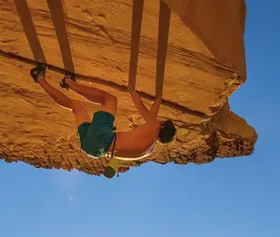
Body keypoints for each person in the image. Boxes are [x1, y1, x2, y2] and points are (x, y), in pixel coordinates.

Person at [31, 64, 176, 177]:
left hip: (104, 138)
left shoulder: (154, 126)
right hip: (94, 151)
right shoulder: (149, 150)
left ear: (162, 127)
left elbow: (141, 107)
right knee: (77, 107)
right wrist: (157, 101)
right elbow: (152, 115)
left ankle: (70, 83)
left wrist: (132, 92)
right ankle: (39, 77)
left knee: (110, 100)